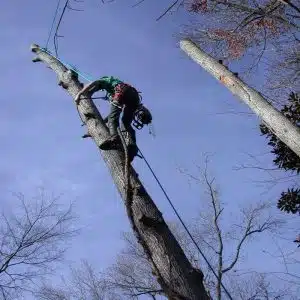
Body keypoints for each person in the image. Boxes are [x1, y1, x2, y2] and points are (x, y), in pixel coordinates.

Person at [75, 76, 152, 151]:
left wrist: (79, 94)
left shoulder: (106, 80)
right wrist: (103, 121)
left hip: (122, 91)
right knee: (125, 123)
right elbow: (114, 114)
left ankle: (115, 139)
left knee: (114, 118)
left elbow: (94, 83)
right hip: (134, 96)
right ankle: (132, 146)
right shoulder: (115, 87)